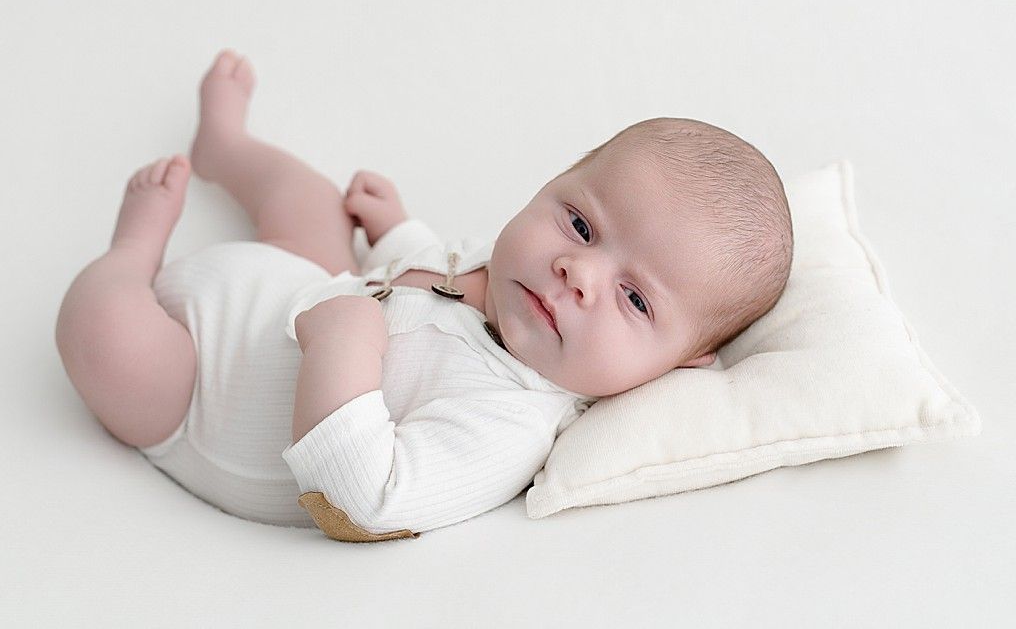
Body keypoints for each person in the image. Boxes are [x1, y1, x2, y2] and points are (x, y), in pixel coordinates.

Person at [54, 50, 793, 541]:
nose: (578, 270)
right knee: (314, 201)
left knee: (102, 332)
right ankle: (225, 143)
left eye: (636, 300)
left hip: (197, 393)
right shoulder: (513, 276)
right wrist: (397, 228)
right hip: (304, 284)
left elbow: (365, 498)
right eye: (579, 221)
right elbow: (429, 278)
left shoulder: (509, 423)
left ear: (681, 363)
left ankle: (131, 254)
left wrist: (345, 348)